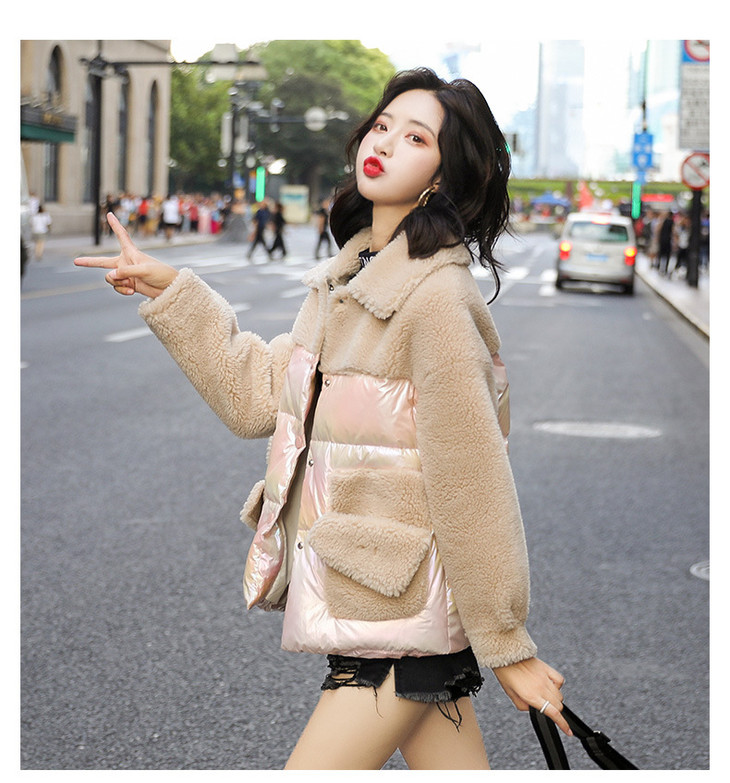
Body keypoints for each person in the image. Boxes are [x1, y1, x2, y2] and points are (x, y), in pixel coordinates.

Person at [74, 68, 570, 770]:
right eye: (382, 125)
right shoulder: (349, 280)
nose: (385, 142)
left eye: (416, 137)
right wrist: (174, 290)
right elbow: (257, 395)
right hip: (375, 596)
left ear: (441, 177)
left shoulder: (434, 300)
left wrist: (507, 641)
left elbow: (472, 479)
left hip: (402, 613)